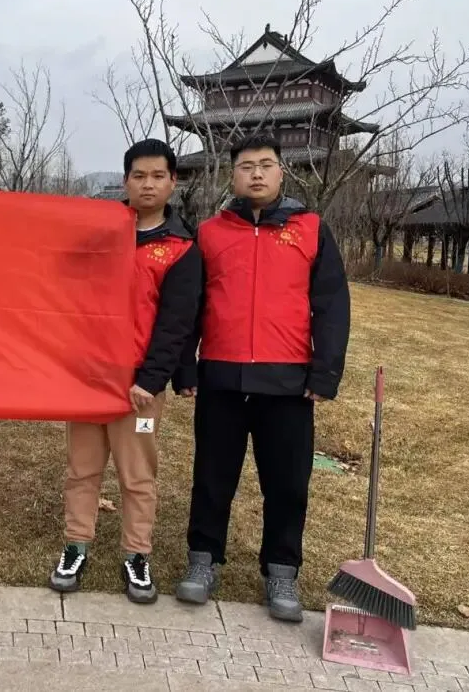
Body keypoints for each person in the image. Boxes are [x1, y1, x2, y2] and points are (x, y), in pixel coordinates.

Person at [174, 134, 350, 622]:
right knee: (212, 477)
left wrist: (324, 371)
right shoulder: (210, 233)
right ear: (232, 174)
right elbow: (190, 306)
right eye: (246, 166)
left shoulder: (311, 229)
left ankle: (281, 570)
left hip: (288, 383)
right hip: (221, 378)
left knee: (288, 483)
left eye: (266, 165)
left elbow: (332, 304)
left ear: (281, 173)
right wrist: (185, 366)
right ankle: (203, 560)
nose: (256, 173)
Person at [49, 139, 202, 603]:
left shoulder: (181, 249)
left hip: (139, 386)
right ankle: (76, 545)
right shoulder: (100, 235)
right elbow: (64, 293)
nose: (148, 184)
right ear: (126, 181)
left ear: (172, 182)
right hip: (89, 378)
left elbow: (177, 325)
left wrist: (150, 380)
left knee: (137, 476)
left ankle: (137, 554)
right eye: (139, 176)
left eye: (157, 176)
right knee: (82, 469)